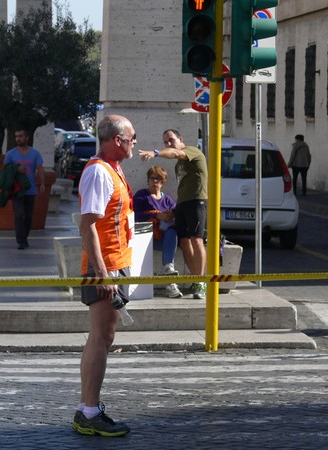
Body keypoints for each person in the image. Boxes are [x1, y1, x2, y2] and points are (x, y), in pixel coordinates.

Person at [72, 114, 134, 437]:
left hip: (113, 264)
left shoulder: (113, 168)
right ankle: (90, 411)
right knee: (100, 339)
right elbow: (88, 225)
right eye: (131, 137)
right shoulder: (99, 171)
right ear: (116, 140)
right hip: (105, 266)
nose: (135, 142)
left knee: (102, 338)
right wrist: (103, 273)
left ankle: (87, 408)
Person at [139, 129, 208, 299]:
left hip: (196, 201)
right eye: (165, 142)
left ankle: (201, 282)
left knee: (196, 239)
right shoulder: (142, 194)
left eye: (171, 140)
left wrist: (155, 152)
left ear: (180, 139)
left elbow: (176, 152)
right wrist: (170, 212)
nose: (169, 144)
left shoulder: (191, 151)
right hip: (182, 205)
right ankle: (195, 280)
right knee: (184, 241)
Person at [133, 165, 182, 298]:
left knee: (172, 231)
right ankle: (170, 280)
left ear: (163, 181)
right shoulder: (141, 196)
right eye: (152, 178)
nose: (155, 182)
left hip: (165, 239)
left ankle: (168, 271)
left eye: (158, 179)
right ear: (148, 180)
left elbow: (177, 215)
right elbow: (133, 216)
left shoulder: (167, 200)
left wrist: (169, 216)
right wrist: (156, 215)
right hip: (145, 237)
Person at [3, 127, 45, 249]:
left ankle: (24, 236)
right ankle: (21, 240)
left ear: (27, 138)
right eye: (16, 136)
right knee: (19, 214)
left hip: (31, 189)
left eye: (21, 136)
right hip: (17, 189)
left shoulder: (35, 153)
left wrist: (42, 183)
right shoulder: (11, 154)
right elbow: (5, 171)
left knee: (28, 216)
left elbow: (40, 168)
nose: (18, 139)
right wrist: (16, 168)